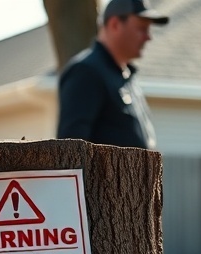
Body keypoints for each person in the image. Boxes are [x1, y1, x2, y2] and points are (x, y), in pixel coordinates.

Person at [56, 0, 168, 149]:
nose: (149, 37)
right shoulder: (86, 73)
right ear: (115, 24)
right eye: (142, 28)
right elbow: (70, 153)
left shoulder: (126, 76)